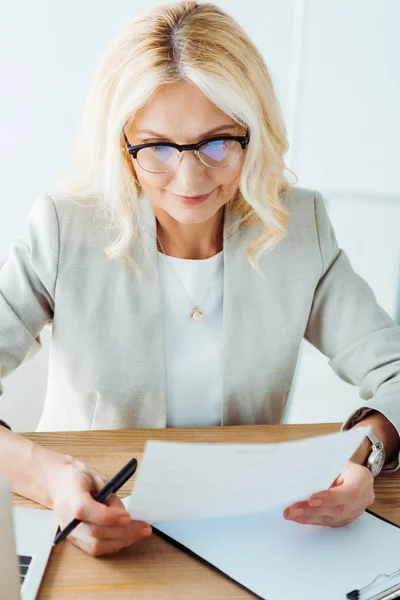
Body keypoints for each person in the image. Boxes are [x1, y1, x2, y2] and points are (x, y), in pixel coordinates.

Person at [0, 0, 399, 559]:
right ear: (122, 145)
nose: (189, 177)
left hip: (250, 530)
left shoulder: (297, 226)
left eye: (218, 143)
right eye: (157, 147)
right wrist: (51, 478)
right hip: (98, 520)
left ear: (254, 134)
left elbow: (396, 371)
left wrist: (366, 453)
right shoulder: (65, 227)